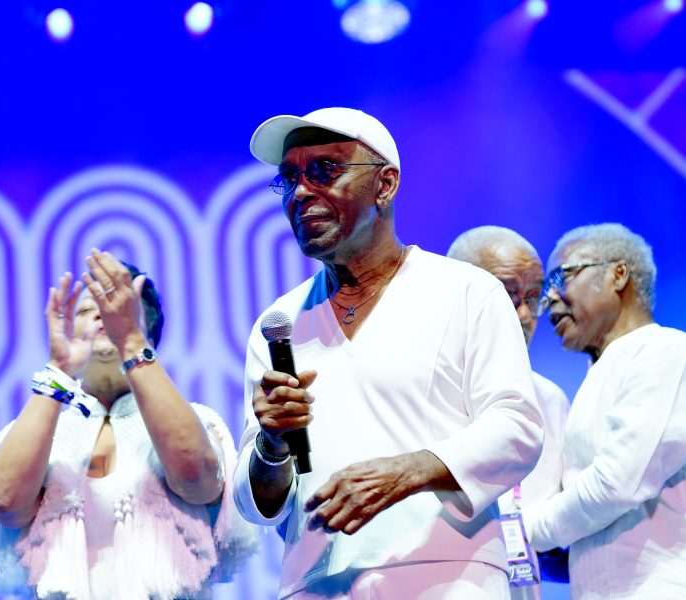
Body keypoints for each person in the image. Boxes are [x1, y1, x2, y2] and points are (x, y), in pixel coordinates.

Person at [233, 107, 544, 599]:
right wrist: (272, 445)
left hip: (446, 573)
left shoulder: (466, 291)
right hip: (315, 582)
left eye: (324, 171)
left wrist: (408, 471)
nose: (300, 193)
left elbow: (518, 426)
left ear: (385, 185)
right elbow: (258, 504)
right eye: (289, 179)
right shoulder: (279, 324)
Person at [0, 249, 256, 599]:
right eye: (89, 311)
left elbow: (197, 480)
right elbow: (4, 502)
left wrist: (130, 341)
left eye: (115, 309)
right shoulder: (39, 429)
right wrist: (60, 368)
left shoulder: (198, 419)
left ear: (149, 331)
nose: (102, 317)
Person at [525, 223, 686, 599]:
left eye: (561, 277)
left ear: (618, 274)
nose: (548, 299)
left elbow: (617, 484)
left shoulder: (664, 351)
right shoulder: (599, 374)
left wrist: (523, 530)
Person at [448, 226, 571, 599]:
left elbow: (551, 543)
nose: (524, 314)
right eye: (506, 294)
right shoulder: (419, 389)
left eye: (533, 297)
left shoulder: (549, 399)